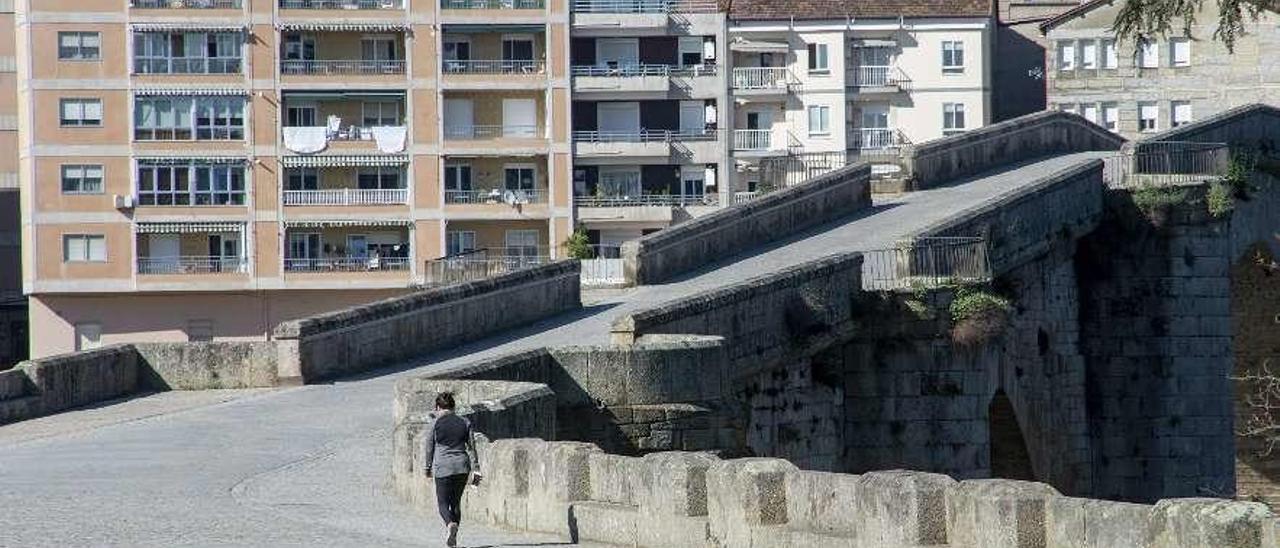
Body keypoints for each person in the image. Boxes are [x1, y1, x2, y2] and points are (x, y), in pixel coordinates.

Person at [424, 392, 481, 547]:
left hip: (443, 466)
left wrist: (427, 467)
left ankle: (450, 524)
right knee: (455, 503)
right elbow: (472, 448)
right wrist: (476, 469)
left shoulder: (434, 423)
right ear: (453, 407)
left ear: (437, 407)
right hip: (462, 466)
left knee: (443, 502)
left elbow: (429, 447)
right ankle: (453, 538)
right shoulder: (465, 421)